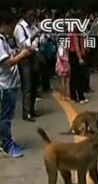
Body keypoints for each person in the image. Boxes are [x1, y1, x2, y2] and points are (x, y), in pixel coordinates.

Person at [0, 10, 35, 157]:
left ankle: (6, 141)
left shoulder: (4, 40)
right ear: (4, 25)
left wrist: (19, 52)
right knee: (5, 118)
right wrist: (23, 55)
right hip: (5, 86)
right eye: (11, 26)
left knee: (5, 116)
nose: (12, 29)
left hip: (9, 85)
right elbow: (7, 63)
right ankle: (7, 145)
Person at [13, 7, 40, 122]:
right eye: (30, 15)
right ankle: (26, 112)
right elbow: (23, 44)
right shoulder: (20, 28)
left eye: (33, 15)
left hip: (34, 55)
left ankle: (32, 109)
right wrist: (34, 36)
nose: (32, 17)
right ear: (24, 14)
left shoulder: (33, 26)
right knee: (27, 86)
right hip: (24, 58)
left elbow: (38, 42)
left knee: (35, 84)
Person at [68, 11, 89, 104]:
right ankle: (80, 97)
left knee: (74, 76)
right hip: (75, 55)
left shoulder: (77, 28)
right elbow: (76, 44)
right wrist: (80, 57)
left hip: (77, 53)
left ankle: (73, 96)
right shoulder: (75, 29)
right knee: (78, 76)